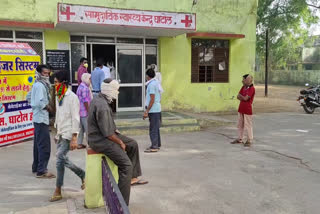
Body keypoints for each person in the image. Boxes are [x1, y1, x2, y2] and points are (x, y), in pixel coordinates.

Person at [88, 79, 148, 206]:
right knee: (126, 166)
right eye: (116, 90)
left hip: (104, 134)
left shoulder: (99, 98)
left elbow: (109, 128)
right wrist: (120, 142)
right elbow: (108, 133)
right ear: (109, 90)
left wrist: (117, 134)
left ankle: (133, 177)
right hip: (100, 140)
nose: (118, 93)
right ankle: (120, 204)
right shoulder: (103, 106)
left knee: (132, 144)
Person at [50, 70, 85, 202]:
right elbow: (58, 115)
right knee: (60, 162)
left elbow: (76, 118)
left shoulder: (72, 97)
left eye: (56, 82)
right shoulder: (58, 95)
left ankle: (58, 190)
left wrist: (75, 138)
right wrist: (56, 132)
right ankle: (82, 175)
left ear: (64, 82)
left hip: (69, 133)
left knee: (59, 158)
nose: (55, 85)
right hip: (61, 132)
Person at [31, 64, 55, 179]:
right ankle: (42, 170)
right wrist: (48, 107)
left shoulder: (37, 84)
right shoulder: (40, 86)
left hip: (37, 118)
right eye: (44, 73)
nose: (46, 75)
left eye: (48, 73)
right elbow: (38, 102)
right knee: (44, 146)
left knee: (38, 145)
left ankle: (36, 167)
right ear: (39, 73)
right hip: (41, 118)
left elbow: (28, 97)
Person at [230, 74, 255, 147]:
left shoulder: (252, 88)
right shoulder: (243, 87)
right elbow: (238, 96)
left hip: (247, 109)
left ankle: (249, 140)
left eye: (244, 79)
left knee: (248, 125)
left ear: (249, 80)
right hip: (241, 108)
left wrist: (241, 97)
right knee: (240, 125)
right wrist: (242, 97)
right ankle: (240, 138)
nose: (242, 81)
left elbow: (245, 98)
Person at [143, 69, 162, 153]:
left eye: (146, 75)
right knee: (156, 128)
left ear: (147, 76)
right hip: (157, 108)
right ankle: (157, 144)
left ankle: (154, 146)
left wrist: (147, 111)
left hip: (153, 110)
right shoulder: (156, 83)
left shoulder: (151, 85)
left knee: (153, 129)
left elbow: (152, 99)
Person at [76, 73, 92, 149]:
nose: (91, 80)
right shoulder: (85, 88)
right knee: (88, 128)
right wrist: (88, 111)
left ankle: (79, 143)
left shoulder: (80, 86)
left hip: (80, 111)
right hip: (84, 112)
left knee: (82, 129)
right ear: (86, 79)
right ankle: (90, 144)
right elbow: (85, 101)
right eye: (90, 79)